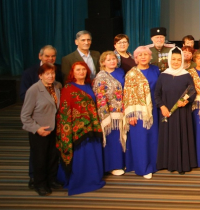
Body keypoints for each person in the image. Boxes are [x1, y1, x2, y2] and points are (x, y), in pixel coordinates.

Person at [56, 62, 105, 195]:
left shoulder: (90, 85)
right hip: (78, 131)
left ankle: (93, 177)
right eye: (78, 70)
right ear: (73, 72)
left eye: (84, 69)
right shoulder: (68, 88)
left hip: (92, 127)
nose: (81, 72)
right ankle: (79, 180)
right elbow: (65, 111)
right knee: (81, 154)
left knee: (92, 153)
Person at [21, 63, 62, 196]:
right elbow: (25, 116)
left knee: (53, 156)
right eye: (47, 74)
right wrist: (37, 129)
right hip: (40, 131)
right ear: (40, 76)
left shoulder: (57, 86)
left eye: (52, 73)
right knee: (40, 159)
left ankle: (51, 180)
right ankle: (40, 184)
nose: (51, 76)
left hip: (54, 128)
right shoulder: (33, 90)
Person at [155, 47, 197, 173]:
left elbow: (192, 92)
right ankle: (167, 163)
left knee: (181, 136)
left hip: (182, 112)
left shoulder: (186, 75)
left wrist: (186, 101)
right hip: (167, 112)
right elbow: (157, 94)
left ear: (182, 60)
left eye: (179, 59)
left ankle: (182, 164)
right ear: (169, 59)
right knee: (168, 136)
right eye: (173, 59)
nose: (176, 62)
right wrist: (162, 106)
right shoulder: (163, 75)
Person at [123, 45, 160, 179]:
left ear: (150, 56)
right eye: (140, 55)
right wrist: (131, 115)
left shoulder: (156, 70)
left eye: (146, 54)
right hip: (138, 112)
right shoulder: (131, 74)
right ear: (136, 58)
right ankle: (143, 167)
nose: (143, 57)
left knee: (153, 138)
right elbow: (128, 95)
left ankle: (155, 164)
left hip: (155, 109)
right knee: (141, 139)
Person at [92, 51, 126, 176]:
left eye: (114, 59)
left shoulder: (120, 72)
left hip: (121, 112)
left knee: (121, 139)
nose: (112, 61)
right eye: (109, 59)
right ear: (103, 62)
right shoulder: (101, 77)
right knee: (112, 140)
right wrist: (105, 116)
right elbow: (100, 97)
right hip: (110, 114)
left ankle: (122, 162)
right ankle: (113, 166)